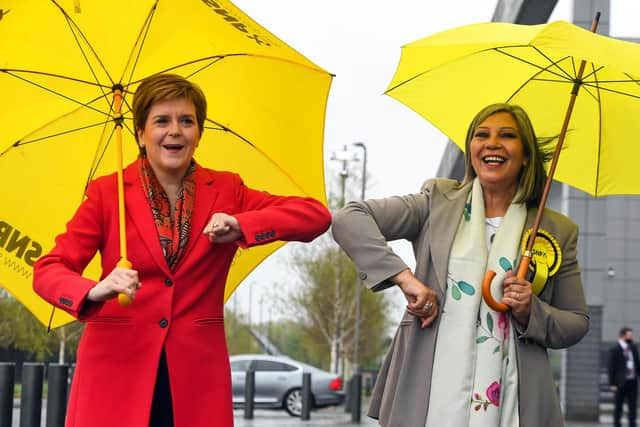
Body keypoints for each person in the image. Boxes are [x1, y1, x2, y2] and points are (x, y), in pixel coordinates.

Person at [33, 73, 332, 427]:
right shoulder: (106, 193)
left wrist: (241, 225)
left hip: (196, 378)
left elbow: (315, 216)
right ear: (141, 134)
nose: (175, 130)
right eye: (162, 120)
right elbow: (49, 269)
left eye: (186, 121)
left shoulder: (226, 189)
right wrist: (95, 289)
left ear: (199, 133)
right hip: (114, 373)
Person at [332, 103, 589, 427]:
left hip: (514, 404)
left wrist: (530, 311)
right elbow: (349, 219)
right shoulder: (436, 201)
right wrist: (406, 279)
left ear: (525, 155)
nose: (492, 143)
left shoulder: (556, 230)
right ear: (470, 150)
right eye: (482, 135)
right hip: (428, 392)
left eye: (507, 135)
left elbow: (576, 322)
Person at [609, 326, 640, 427]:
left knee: (632, 405)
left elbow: (637, 363)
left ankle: (632, 424)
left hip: (632, 381)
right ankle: (617, 424)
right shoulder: (615, 349)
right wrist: (612, 383)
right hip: (620, 383)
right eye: (629, 335)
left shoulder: (633, 348)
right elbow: (611, 367)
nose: (631, 338)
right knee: (618, 405)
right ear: (622, 336)